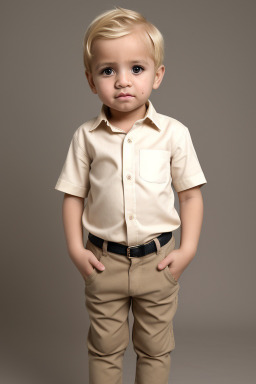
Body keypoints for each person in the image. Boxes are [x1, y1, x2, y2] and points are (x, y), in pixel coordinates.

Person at [55, 7, 207, 384]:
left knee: (155, 347)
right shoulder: (86, 137)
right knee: (104, 347)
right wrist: (77, 250)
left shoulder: (174, 134)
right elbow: (73, 196)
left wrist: (186, 251)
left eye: (136, 69)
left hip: (158, 262)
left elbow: (189, 195)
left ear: (157, 76)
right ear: (91, 80)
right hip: (103, 261)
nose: (123, 81)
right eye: (108, 70)